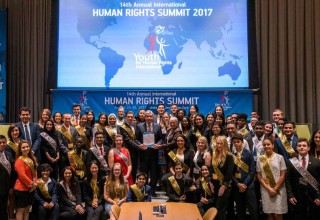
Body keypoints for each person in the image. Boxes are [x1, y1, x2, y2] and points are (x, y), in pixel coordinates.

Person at [285, 138, 320, 220]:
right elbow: (288, 180)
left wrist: (319, 196)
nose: (301, 147)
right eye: (299, 146)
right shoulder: (291, 162)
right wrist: (290, 195)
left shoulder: (317, 162)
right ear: (296, 148)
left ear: (308, 148)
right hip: (297, 197)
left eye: (304, 146)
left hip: (313, 196)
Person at [256, 138, 288, 220]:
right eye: (264, 145)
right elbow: (259, 175)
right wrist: (268, 189)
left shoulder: (280, 157)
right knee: (269, 214)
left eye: (268, 144)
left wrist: (275, 189)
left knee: (278, 214)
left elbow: (283, 175)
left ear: (273, 145)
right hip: (265, 189)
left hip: (279, 189)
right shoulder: (260, 158)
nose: (266, 146)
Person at [231, 133, 258, 220]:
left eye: (238, 142)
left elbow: (252, 171)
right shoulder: (231, 155)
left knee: (253, 209)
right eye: (234, 142)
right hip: (237, 186)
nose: (236, 144)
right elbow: (230, 173)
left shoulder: (249, 154)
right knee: (239, 209)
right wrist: (238, 184)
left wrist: (244, 184)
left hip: (248, 185)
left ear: (242, 142)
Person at [135, 110, 163, 195]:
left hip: (154, 154)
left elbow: (161, 139)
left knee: (154, 174)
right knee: (144, 174)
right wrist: (140, 145)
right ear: (145, 117)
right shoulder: (139, 126)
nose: (149, 118)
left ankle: (152, 191)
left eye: (151, 116)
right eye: (147, 116)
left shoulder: (158, 126)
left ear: (153, 117)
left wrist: (158, 144)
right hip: (143, 155)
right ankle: (145, 191)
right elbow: (135, 139)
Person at [211, 135, 234, 220]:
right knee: (215, 208)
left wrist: (224, 186)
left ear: (225, 144)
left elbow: (229, 173)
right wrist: (210, 182)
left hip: (225, 186)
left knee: (220, 209)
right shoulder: (214, 154)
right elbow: (211, 170)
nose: (219, 145)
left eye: (221, 143)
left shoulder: (229, 156)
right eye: (218, 143)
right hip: (215, 184)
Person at [14, 140, 38, 220]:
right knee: (21, 210)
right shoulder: (19, 160)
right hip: (21, 188)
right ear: (20, 149)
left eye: (27, 147)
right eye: (23, 147)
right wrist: (32, 183)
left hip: (31, 189)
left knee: (27, 209)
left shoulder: (32, 158)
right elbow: (22, 175)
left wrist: (35, 183)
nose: (26, 148)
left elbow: (35, 172)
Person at [119, 111, 140, 179]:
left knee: (134, 170)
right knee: (127, 169)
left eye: (131, 117)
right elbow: (128, 140)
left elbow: (136, 139)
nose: (130, 118)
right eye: (128, 117)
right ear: (125, 117)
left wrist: (140, 145)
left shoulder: (135, 126)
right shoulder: (122, 127)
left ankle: (133, 186)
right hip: (128, 151)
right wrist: (138, 147)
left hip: (135, 152)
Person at [0, 135, 14, 220]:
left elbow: (11, 172)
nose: (2, 144)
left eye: (4, 142)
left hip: (6, 187)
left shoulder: (8, 154)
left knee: (4, 209)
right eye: (0, 142)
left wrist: (11, 186)